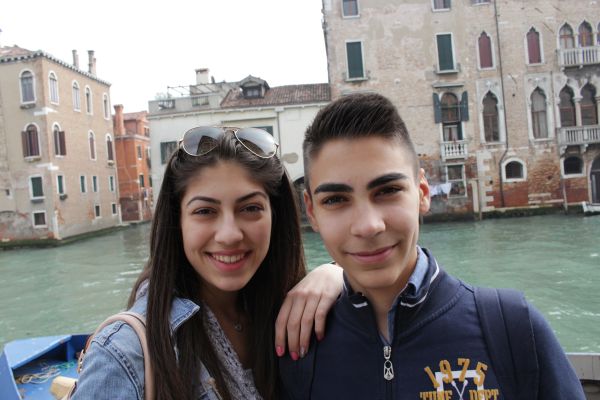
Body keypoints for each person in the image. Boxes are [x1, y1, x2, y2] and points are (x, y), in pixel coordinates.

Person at [280, 93, 585, 399]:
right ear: (312, 211)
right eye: (335, 200)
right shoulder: (299, 349)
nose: (368, 226)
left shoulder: (515, 329)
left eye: (387, 190)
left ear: (422, 192)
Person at [72, 126, 342, 400]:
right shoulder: (122, 353)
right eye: (205, 211)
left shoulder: (294, 306)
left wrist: (338, 275)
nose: (229, 235)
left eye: (250, 208)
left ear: (275, 215)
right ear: (177, 221)